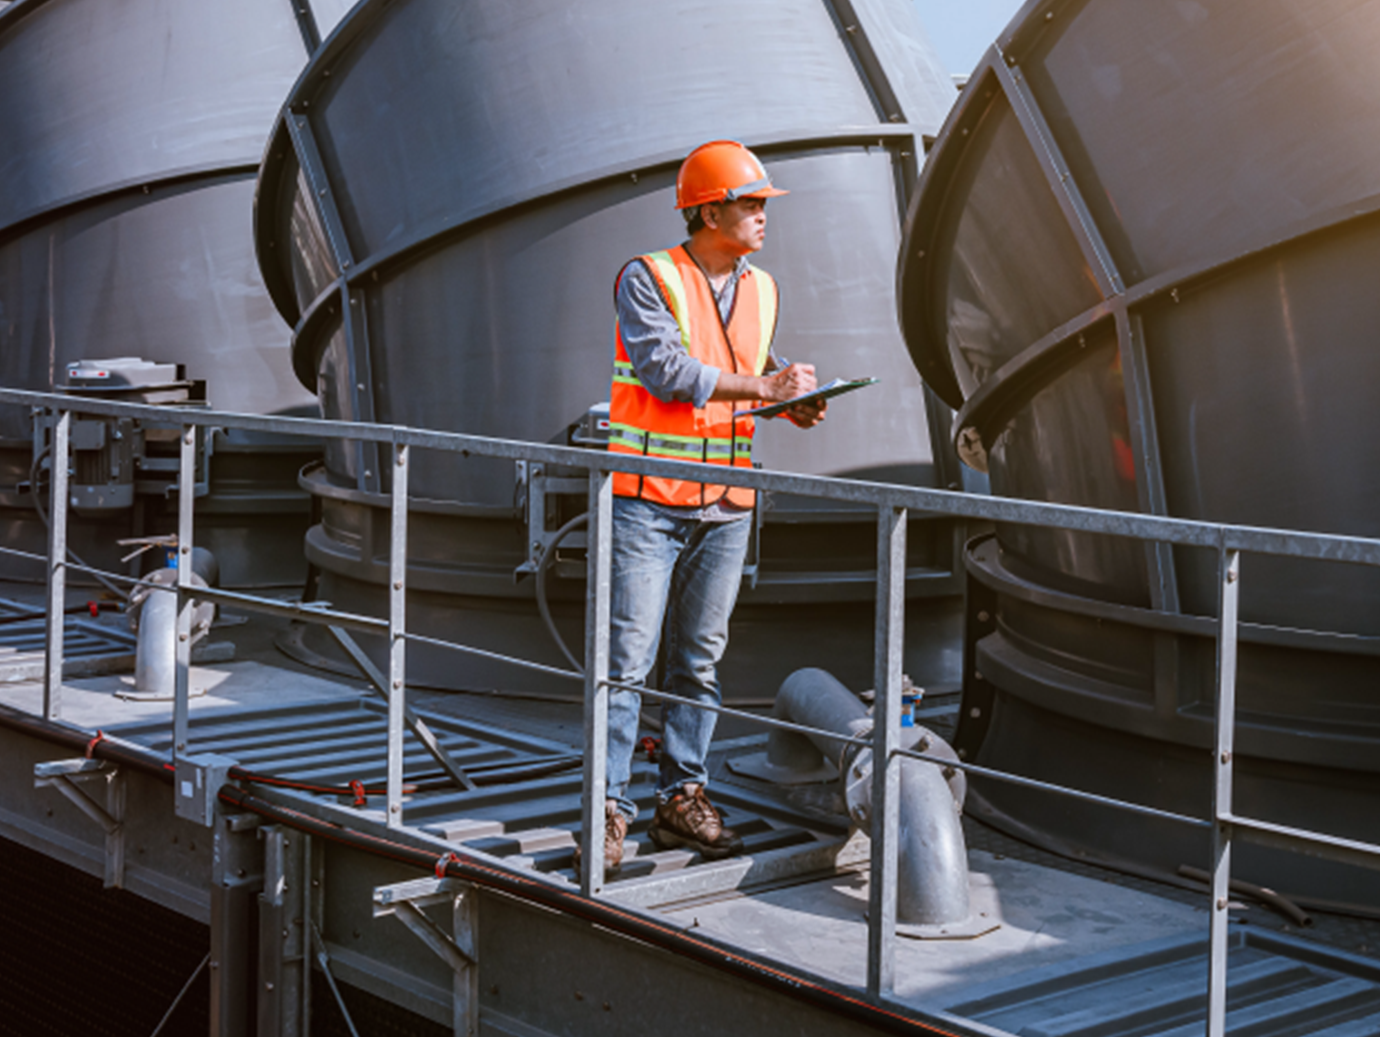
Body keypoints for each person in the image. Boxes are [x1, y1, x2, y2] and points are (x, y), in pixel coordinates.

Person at [595, 140, 826, 872]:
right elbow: (666, 371)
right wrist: (765, 391)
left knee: (698, 662)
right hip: (650, 500)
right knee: (626, 662)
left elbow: (746, 369)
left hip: (726, 503)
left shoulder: (762, 289)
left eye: (763, 204)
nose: (762, 217)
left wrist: (795, 404)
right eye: (750, 204)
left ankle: (680, 798)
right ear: (707, 210)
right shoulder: (648, 277)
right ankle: (606, 807)